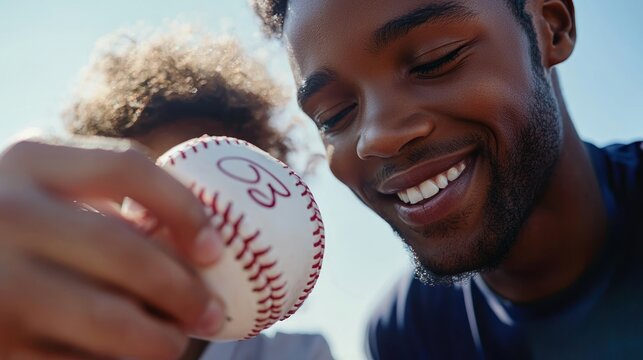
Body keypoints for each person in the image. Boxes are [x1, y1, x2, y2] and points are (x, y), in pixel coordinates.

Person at [252, 0, 643, 358]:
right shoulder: (406, 335)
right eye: (333, 116)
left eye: (433, 61)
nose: (378, 138)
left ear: (552, 28)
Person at [0, 26, 333, 359]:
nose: (181, 227)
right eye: (147, 202)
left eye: (212, 208)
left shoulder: (299, 353)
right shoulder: (28, 326)